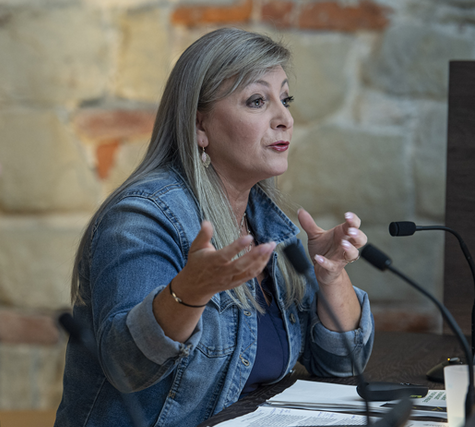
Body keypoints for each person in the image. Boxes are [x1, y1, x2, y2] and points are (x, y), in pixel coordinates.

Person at [55, 28, 374, 427]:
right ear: (199, 127)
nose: (285, 119)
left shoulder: (269, 222)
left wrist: (332, 275)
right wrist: (191, 291)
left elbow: (342, 362)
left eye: (285, 99)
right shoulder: (141, 219)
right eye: (258, 101)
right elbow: (127, 366)